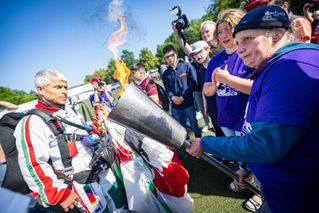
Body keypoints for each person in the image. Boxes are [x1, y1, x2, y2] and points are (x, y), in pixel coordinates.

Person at [186, 5, 319, 213]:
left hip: (298, 198)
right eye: (238, 41)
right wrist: (246, 168)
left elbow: (264, 146)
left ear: (277, 33)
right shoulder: (275, 65)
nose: (239, 48)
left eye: (248, 39)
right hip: (280, 189)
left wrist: (205, 143)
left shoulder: (290, 67)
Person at [14, 69, 125, 212]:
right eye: (58, 87)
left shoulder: (69, 111)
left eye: (65, 87)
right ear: (41, 90)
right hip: (82, 185)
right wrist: (59, 194)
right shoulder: (32, 122)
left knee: (121, 206)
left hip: (102, 171)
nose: (64, 91)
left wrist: (94, 130)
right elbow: (33, 164)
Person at [161, 44, 201, 138]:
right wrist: (172, 97)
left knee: (194, 126)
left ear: (176, 54)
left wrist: (183, 96)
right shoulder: (165, 73)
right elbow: (167, 89)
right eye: (167, 57)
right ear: (165, 59)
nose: (170, 59)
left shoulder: (186, 66)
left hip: (189, 104)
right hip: (175, 107)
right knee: (182, 130)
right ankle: (189, 149)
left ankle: (201, 147)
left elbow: (194, 83)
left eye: (172, 55)